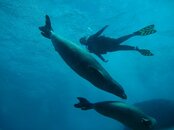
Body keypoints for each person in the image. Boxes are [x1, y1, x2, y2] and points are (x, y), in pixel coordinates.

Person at [80, 25, 156, 62]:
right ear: (84, 39)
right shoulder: (91, 39)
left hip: (110, 48)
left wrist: (103, 60)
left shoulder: (89, 49)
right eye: (84, 38)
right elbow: (98, 33)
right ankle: (134, 35)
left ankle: (136, 49)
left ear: (83, 44)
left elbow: (98, 54)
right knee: (122, 41)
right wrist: (104, 27)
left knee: (122, 48)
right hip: (111, 42)